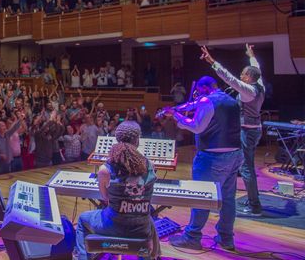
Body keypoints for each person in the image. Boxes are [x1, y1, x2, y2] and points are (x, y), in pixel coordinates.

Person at [167, 75, 243, 251]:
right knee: (228, 199)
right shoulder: (231, 100)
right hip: (234, 155)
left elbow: (196, 126)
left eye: (199, 93)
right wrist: (180, 107)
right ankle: (226, 238)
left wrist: (177, 116)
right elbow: (195, 105)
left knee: (201, 197)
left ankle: (192, 237)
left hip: (212, 157)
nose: (198, 96)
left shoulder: (207, 100)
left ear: (203, 89)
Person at [74, 121, 160, 260]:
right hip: (141, 228)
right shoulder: (150, 165)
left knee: (83, 219)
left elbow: (106, 198)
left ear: (117, 139)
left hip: (112, 225)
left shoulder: (105, 170)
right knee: (148, 220)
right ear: (137, 140)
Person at [200, 44, 265, 216]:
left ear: (250, 78)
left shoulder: (249, 91)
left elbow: (230, 79)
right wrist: (251, 55)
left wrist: (212, 62)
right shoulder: (259, 84)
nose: (241, 75)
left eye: (244, 73)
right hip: (254, 129)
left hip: (246, 131)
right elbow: (257, 68)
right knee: (246, 166)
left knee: (246, 168)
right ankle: (253, 200)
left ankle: (254, 206)